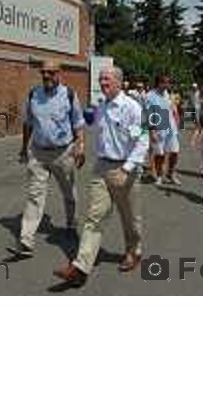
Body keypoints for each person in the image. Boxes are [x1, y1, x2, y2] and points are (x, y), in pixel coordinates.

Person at [54, 66, 149, 286]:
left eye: (106, 79)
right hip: (102, 168)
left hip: (125, 170)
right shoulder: (102, 106)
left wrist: (128, 167)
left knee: (130, 218)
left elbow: (142, 140)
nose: (102, 83)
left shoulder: (132, 108)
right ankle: (80, 268)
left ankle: (134, 251)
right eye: (100, 80)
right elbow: (94, 128)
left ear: (118, 81)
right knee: (94, 217)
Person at [8, 60, 86, 258]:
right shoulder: (34, 94)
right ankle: (26, 241)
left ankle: (71, 225)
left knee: (69, 193)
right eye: (43, 72)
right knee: (35, 195)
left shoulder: (69, 94)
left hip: (63, 153)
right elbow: (28, 123)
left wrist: (80, 145)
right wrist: (24, 148)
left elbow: (78, 123)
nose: (46, 76)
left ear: (59, 73)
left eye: (51, 73)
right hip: (39, 153)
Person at [145, 75, 181, 186]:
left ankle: (170, 174)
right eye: (164, 82)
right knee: (159, 154)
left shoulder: (168, 94)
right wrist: (152, 131)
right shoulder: (150, 96)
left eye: (168, 82)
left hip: (171, 127)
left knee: (175, 151)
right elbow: (149, 114)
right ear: (158, 83)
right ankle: (159, 175)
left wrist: (178, 123)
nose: (167, 85)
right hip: (158, 127)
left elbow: (173, 109)